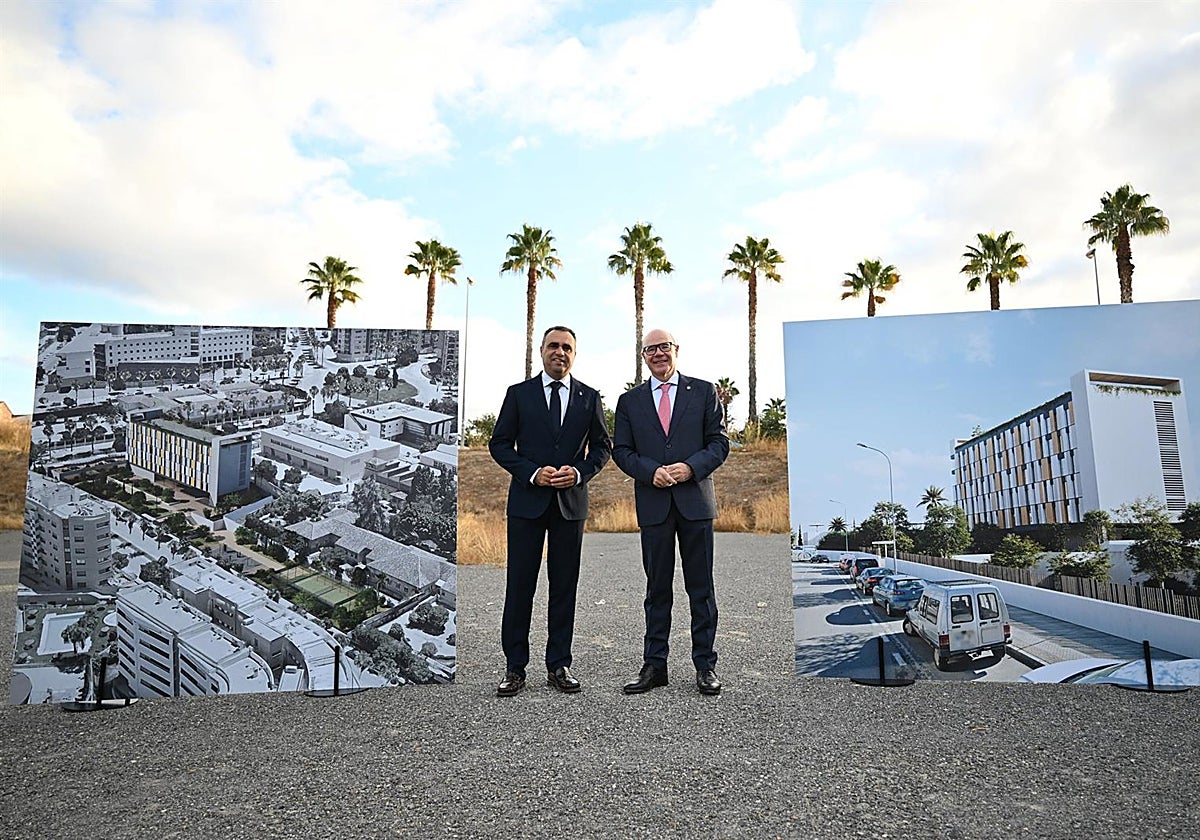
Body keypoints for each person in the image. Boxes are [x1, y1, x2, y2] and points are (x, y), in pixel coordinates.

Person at [488, 326, 612, 697]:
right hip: (526, 504)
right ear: (541, 350)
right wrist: (531, 472)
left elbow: (602, 448)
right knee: (519, 586)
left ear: (575, 354)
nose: (560, 352)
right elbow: (499, 444)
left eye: (567, 348)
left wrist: (579, 473)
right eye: (554, 346)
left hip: (570, 506)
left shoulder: (589, 397)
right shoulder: (519, 394)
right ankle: (515, 668)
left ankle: (559, 665)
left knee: (564, 588)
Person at [612, 328, 730, 696]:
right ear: (643, 356)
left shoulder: (704, 391)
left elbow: (719, 443)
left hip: (695, 503)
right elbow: (621, 451)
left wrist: (691, 468)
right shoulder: (629, 401)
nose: (658, 354)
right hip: (654, 505)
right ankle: (654, 665)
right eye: (651, 349)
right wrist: (651, 472)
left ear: (676, 349)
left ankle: (705, 665)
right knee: (656, 589)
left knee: (701, 588)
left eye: (664, 347)